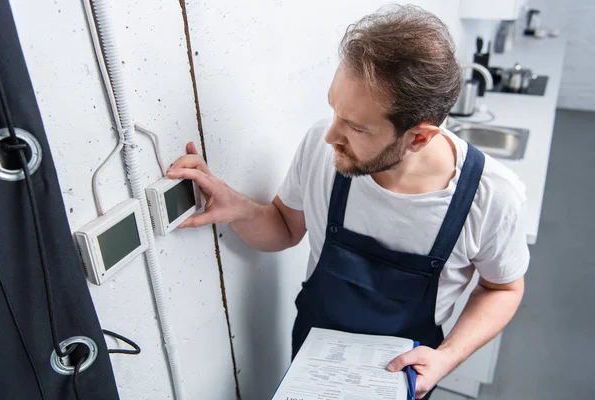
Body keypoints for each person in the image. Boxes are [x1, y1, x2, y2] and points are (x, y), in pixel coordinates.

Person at [167, 5, 529, 399]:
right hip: (312, 368)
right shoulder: (325, 150)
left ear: (419, 138)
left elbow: (503, 289)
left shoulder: (490, 197)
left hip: (402, 380)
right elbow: (285, 227)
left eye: (356, 127)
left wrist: (446, 357)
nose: (330, 136)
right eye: (334, 110)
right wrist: (236, 208)